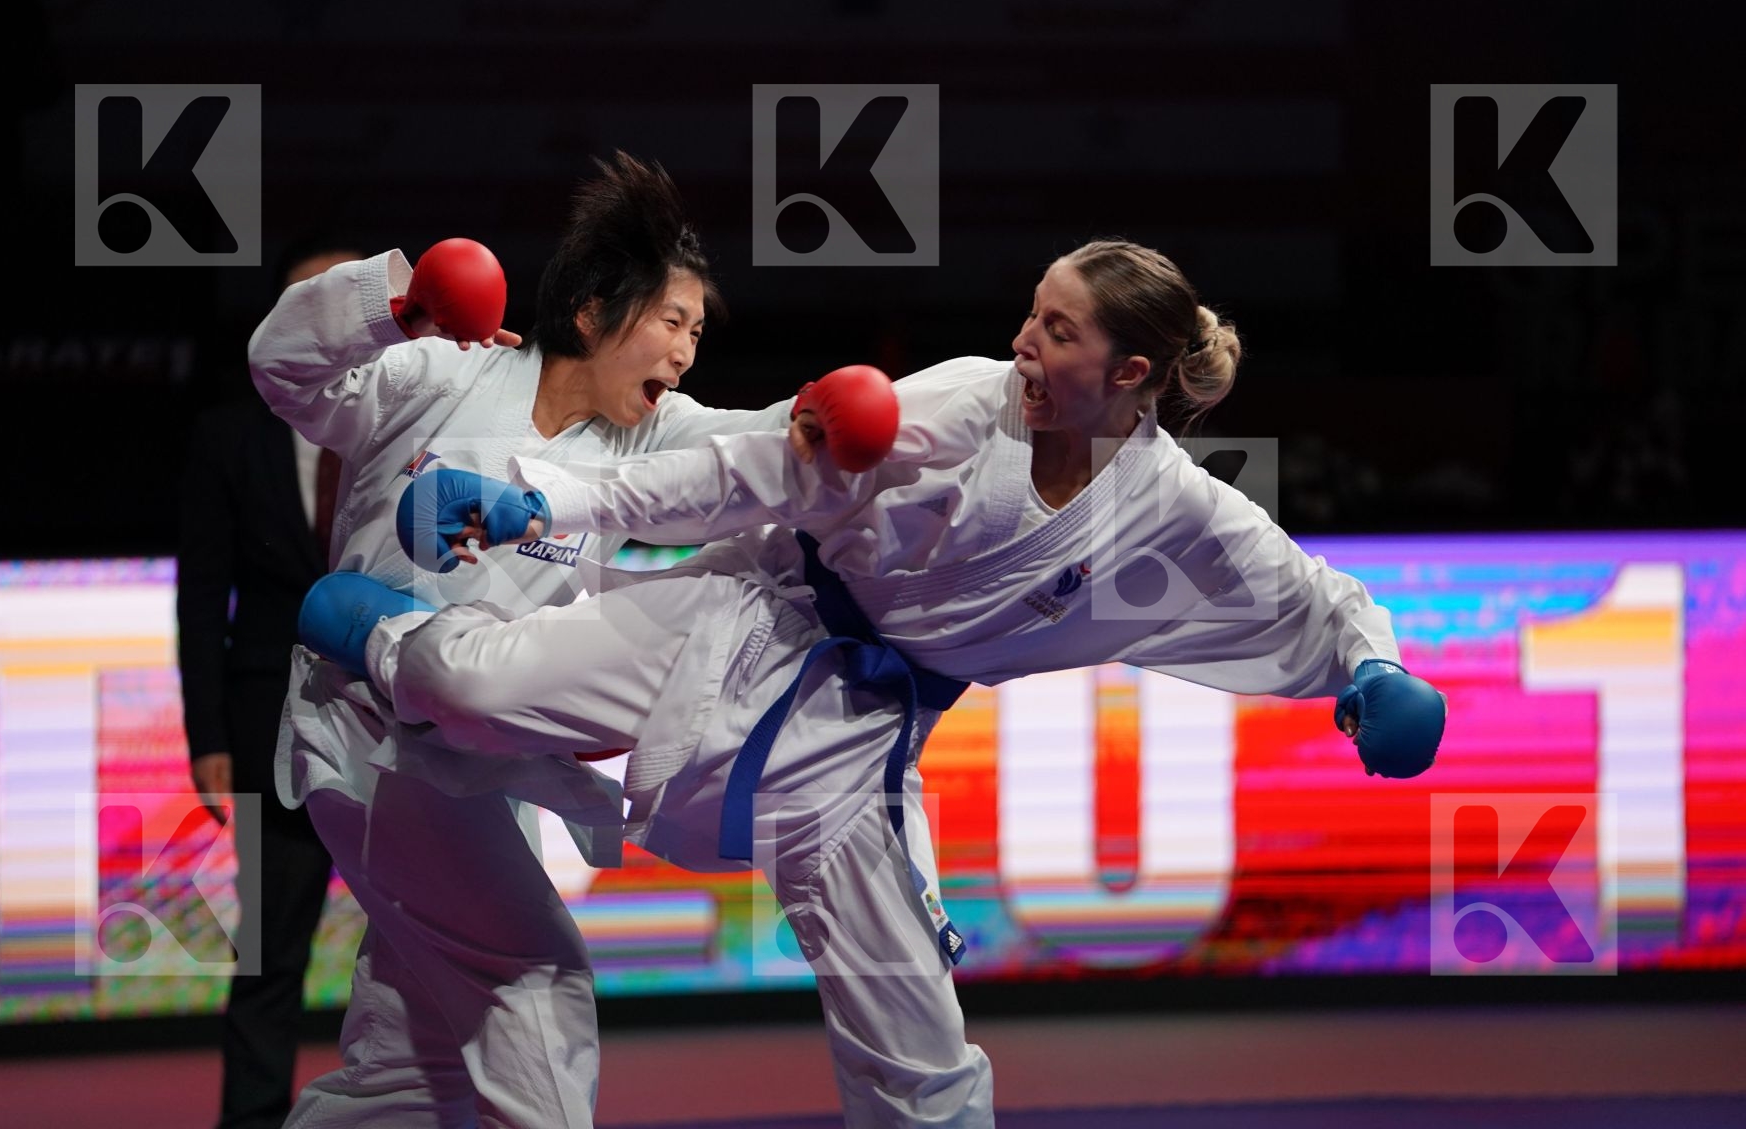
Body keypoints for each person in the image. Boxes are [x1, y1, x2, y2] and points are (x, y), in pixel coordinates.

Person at [308, 238, 1448, 1128]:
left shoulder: (1173, 507)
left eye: (1058, 332)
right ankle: (384, 638)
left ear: (1131, 373)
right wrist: (548, 503)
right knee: (474, 688)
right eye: (1031, 317)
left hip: (860, 745)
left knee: (913, 1035)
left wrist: (1375, 667)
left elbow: (1299, 584)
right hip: (750, 616)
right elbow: (746, 472)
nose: (1025, 346)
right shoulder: (965, 401)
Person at [245, 152, 797, 1129]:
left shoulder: (642, 444)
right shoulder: (440, 373)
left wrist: (941, 421)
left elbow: (764, 444)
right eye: (671, 322)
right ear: (591, 312)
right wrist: (397, 304)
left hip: (467, 770)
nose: (685, 353)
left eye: (698, 333)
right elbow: (281, 367)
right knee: (536, 981)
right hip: (370, 744)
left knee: (411, 1072)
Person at [178, 241, 361, 1129]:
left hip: (395, 735)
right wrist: (206, 738)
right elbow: (202, 596)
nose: (333, 314)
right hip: (267, 731)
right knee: (269, 957)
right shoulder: (228, 435)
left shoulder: (414, 427)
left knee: (427, 950)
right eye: (311, 299)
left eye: (351, 296)